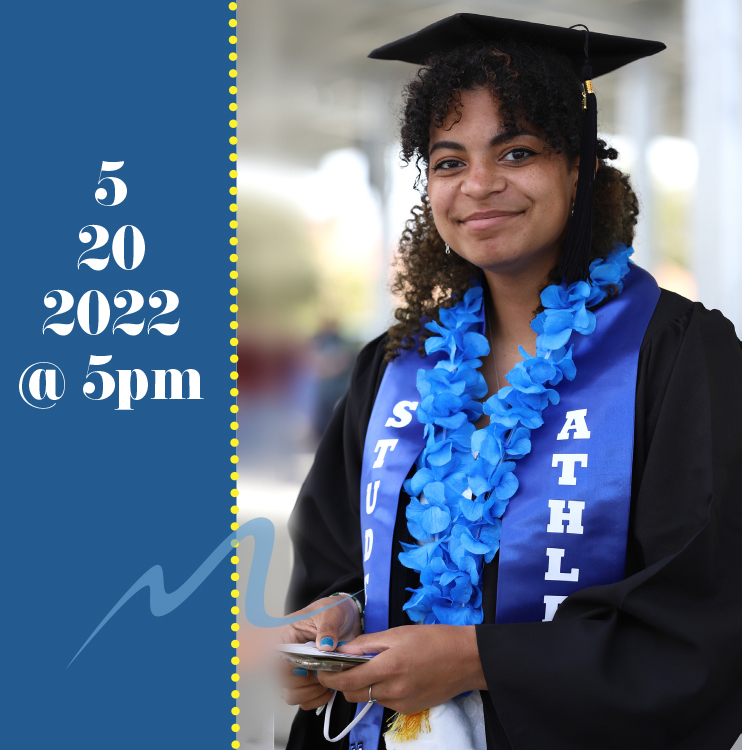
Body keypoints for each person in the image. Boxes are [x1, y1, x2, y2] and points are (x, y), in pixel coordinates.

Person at [277, 14, 742, 750]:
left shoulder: (678, 355)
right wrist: (330, 621)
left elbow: (703, 617)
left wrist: (477, 661)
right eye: (450, 161)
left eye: (517, 151)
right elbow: (334, 554)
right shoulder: (395, 365)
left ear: (581, 168)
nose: (480, 187)